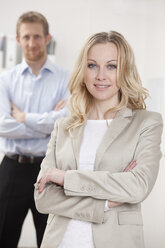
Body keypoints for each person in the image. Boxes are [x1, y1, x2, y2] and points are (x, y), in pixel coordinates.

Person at [34, 31, 163, 248]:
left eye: (111, 66)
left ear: (125, 70)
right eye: (92, 65)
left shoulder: (147, 123)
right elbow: (43, 199)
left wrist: (66, 178)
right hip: (60, 242)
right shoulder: (64, 126)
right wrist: (105, 201)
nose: (100, 75)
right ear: (83, 71)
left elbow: (138, 186)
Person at [0, 11, 69, 248]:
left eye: (37, 37)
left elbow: (66, 122)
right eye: (26, 37)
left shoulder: (66, 79)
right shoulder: (5, 80)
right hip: (11, 169)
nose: (32, 43)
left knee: (51, 239)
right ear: (18, 40)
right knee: (3, 237)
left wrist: (22, 117)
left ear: (47, 38)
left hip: (50, 169)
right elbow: (2, 125)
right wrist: (48, 125)